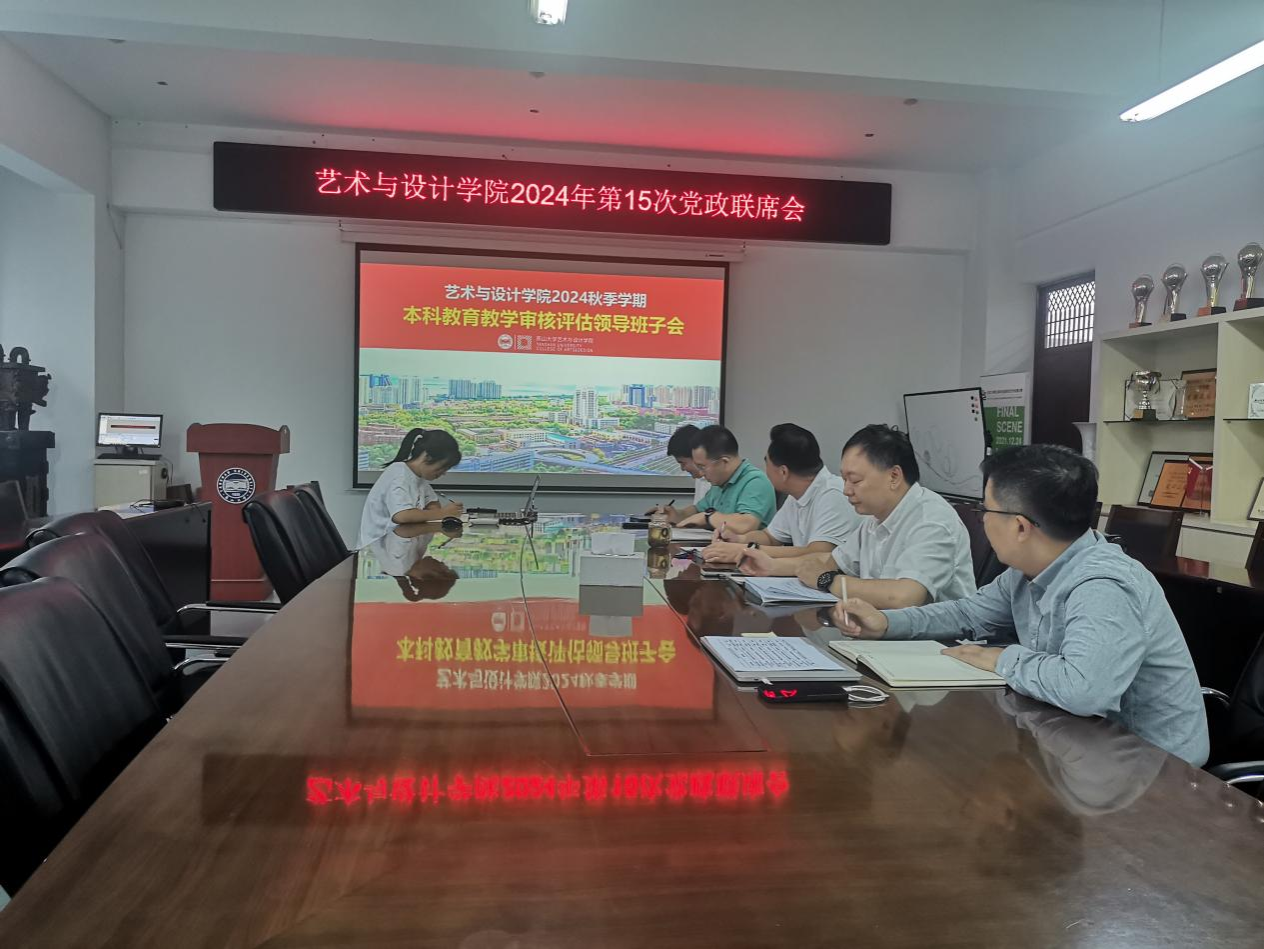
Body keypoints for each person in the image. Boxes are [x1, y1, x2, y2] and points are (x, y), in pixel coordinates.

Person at [832, 444, 1209, 766]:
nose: (982, 522)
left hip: (1153, 772)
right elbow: (967, 613)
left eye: (985, 511)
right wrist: (886, 623)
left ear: (1020, 527)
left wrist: (1002, 658)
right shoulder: (1028, 569)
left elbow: (1084, 689)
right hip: (1075, 747)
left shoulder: (1102, 585)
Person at [738, 424, 974, 609]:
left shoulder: (931, 519)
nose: (846, 490)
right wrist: (771, 566)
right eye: (844, 479)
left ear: (894, 476)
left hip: (937, 647)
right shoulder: (875, 519)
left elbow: (903, 596)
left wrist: (828, 581)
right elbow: (831, 561)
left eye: (855, 480)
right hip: (881, 633)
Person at [701, 423, 860, 565]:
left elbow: (818, 553)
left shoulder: (834, 494)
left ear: (783, 472)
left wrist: (745, 550)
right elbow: (770, 537)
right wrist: (738, 539)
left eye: (767, 463)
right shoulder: (796, 494)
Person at [357, 428, 464, 548]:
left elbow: (433, 503)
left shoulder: (419, 477)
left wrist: (440, 513)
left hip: (402, 545)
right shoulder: (399, 475)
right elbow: (401, 516)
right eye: (442, 468)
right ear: (427, 457)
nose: (443, 473)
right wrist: (443, 513)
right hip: (380, 548)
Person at [658, 425, 777, 532]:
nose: (701, 473)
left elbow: (746, 524)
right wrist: (677, 514)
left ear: (724, 462)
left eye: (702, 467)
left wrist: (708, 517)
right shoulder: (719, 484)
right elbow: (697, 511)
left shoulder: (755, 481)